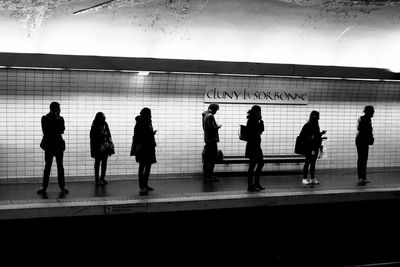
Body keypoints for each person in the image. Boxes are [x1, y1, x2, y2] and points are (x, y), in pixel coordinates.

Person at [37, 102, 69, 194]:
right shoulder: (45, 118)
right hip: (50, 146)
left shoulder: (60, 118)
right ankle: (45, 186)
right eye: (58, 108)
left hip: (56, 146)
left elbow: (62, 129)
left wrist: (57, 120)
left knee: (59, 166)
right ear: (53, 109)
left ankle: (60, 185)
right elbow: (46, 131)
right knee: (48, 166)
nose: (60, 110)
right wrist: (56, 124)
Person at [133, 108, 157, 195]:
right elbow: (139, 135)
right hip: (143, 149)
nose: (151, 114)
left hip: (148, 148)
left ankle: (145, 185)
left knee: (147, 167)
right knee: (142, 167)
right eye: (149, 113)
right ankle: (142, 186)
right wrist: (151, 134)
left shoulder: (148, 122)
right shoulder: (140, 123)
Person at [299, 110, 327, 185]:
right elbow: (302, 136)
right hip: (309, 147)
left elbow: (316, 135)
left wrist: (321, 133)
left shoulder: (315, 126)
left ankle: (312, 178)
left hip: (314, 147)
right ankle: (304, 179)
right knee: (308, 162)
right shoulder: (308, 126)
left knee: (312, 163)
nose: (319, 119)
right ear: (314, 117)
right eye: (318, 117)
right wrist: (311, 137)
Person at [245, 105, 265, 192]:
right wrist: (259, 121)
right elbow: (257, 131)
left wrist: (260, 121)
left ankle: (255, 183)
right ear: (256, 111)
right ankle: (251, 185)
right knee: (253, 165)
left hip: (256, 146)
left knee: (259, 163)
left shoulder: (255, 120)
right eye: (259, 111)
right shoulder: (251, 121)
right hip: (253, 146)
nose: (260, 113)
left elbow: (261, 131)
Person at [90, 112, 112, 185]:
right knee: (100, 162)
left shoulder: (102, 124)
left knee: (100, 163)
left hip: (102, 146)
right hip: (99, 147)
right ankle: (98, 178)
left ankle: (101, 177)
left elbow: (108, 134)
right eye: (103, 117)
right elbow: (94, 137)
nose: (104, 118)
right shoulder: (97, 125)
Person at [202, 103, 222, 182]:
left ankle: (206, 175)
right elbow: (211, 128)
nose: (216, 112)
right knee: (212, 158)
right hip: (212, 140)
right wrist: (217, 127)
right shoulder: (210, 116)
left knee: (207, 158)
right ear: (214, 109)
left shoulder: (205, 115)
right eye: (216, 110)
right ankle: (209, 176)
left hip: (207, 140)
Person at [356, 106, 375, 185]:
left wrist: (370, 138)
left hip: (363, 141)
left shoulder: (367, 119)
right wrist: (370, 138)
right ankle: (361, 178)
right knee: (361, 159)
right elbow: (362, 129)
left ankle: (363, 177)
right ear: (369, 112)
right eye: (372, 111)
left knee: (364, 159)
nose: (373, 112)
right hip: (361, 141)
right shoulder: (363, 119)